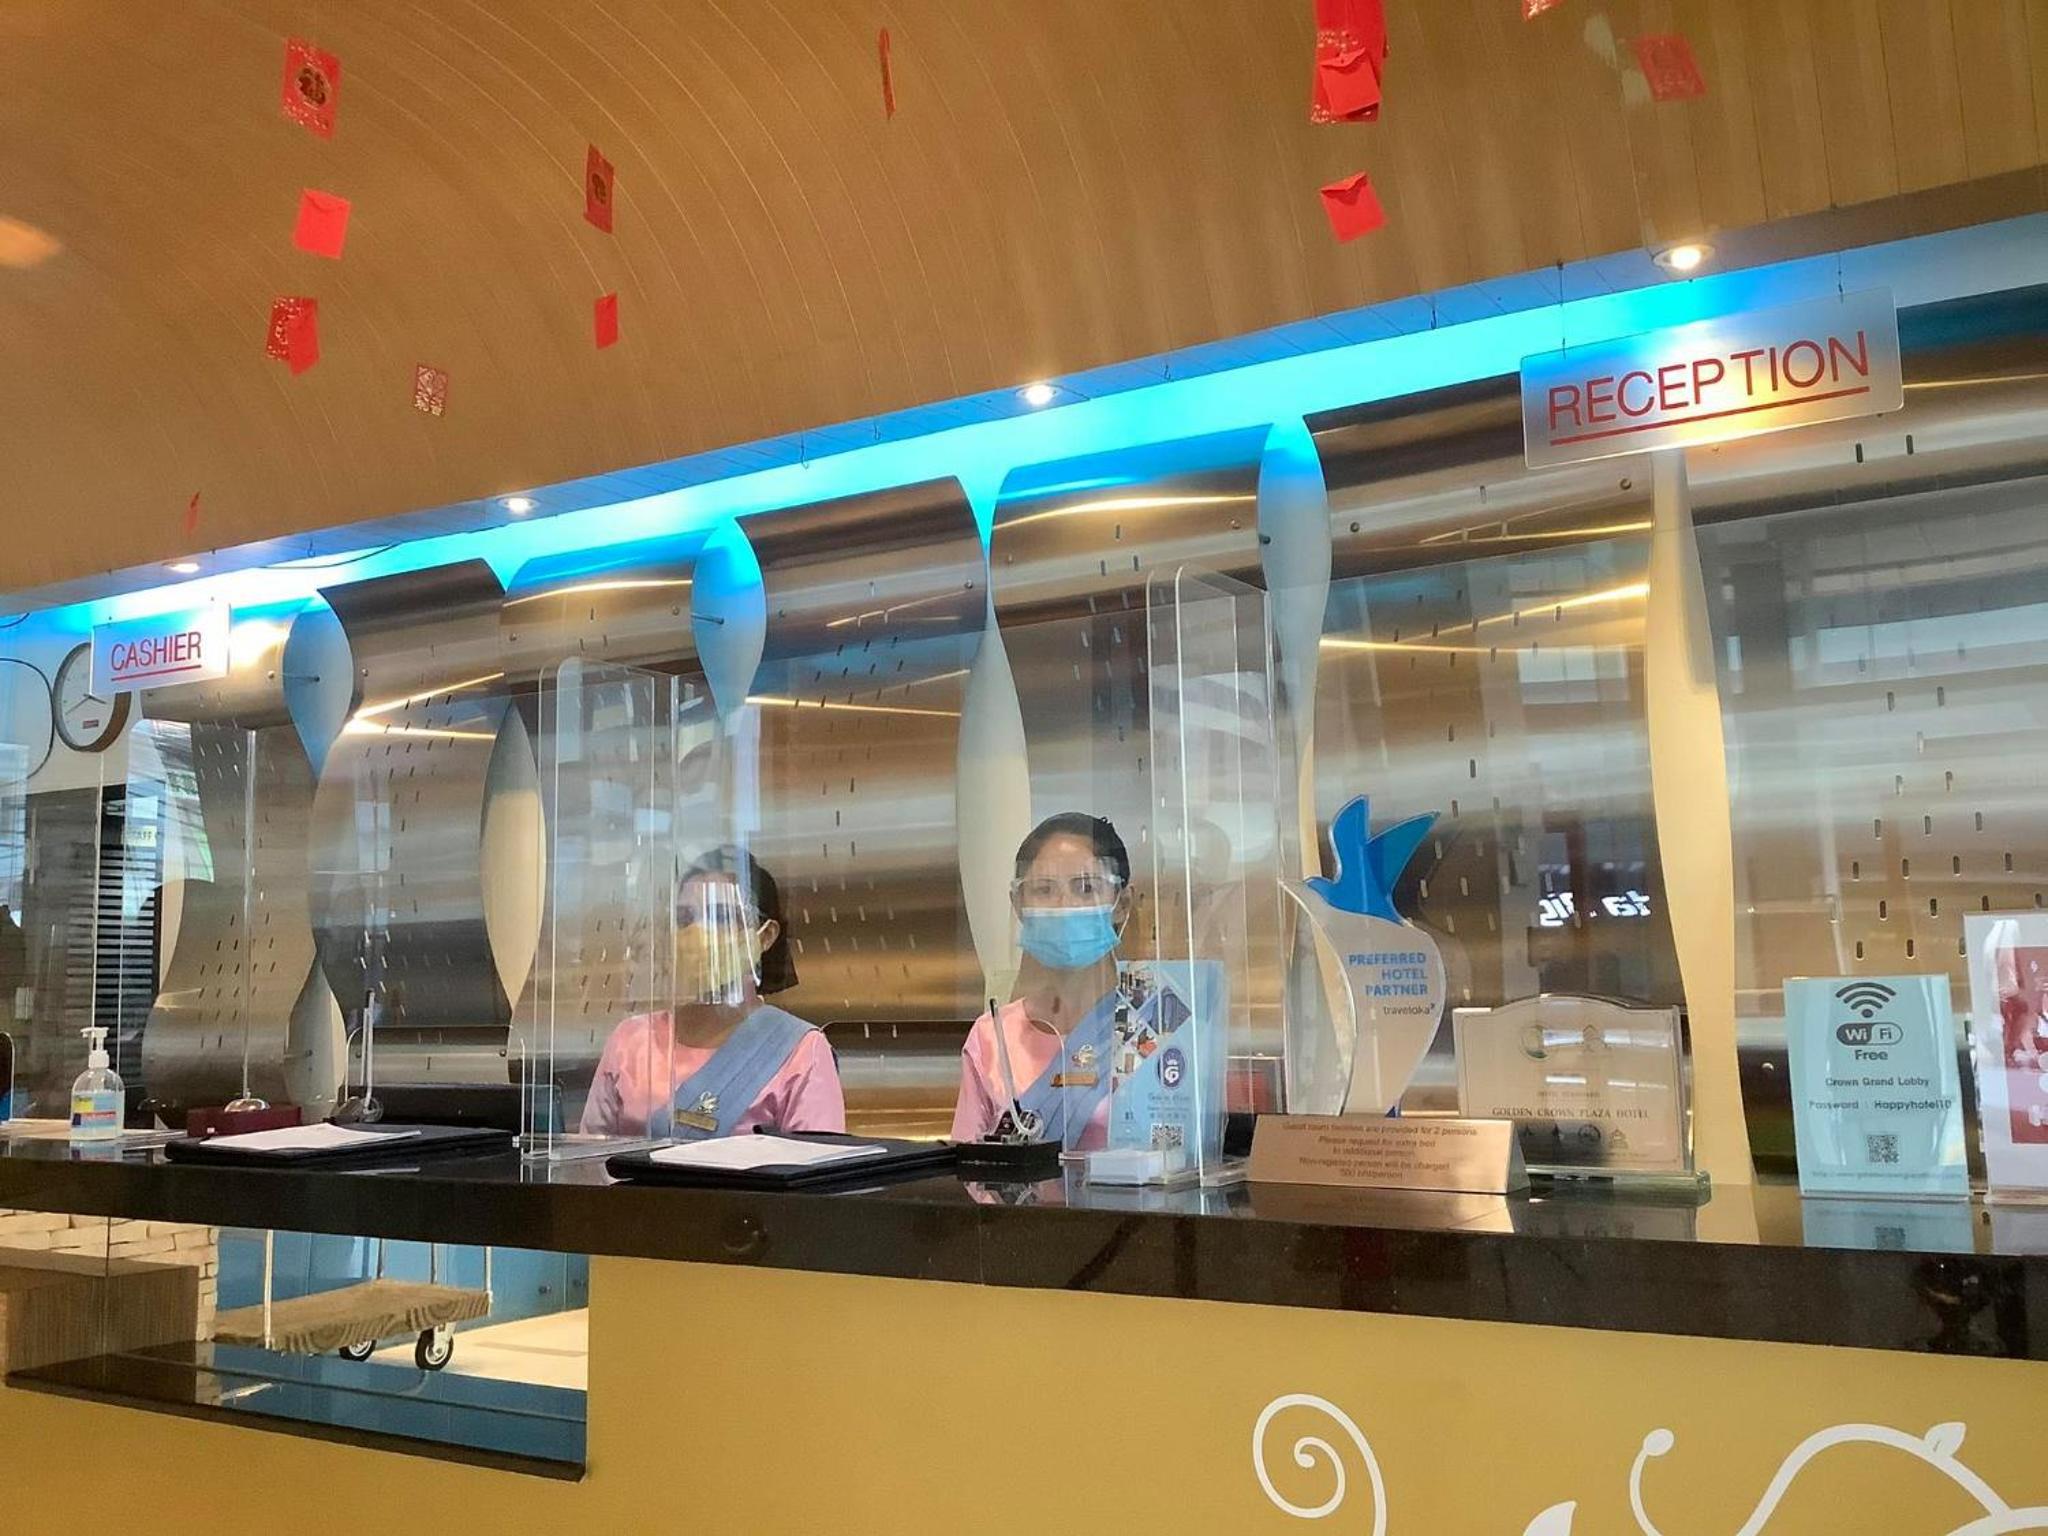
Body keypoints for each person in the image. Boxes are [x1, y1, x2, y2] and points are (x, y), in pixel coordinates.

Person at [581, 847, 845, 1140]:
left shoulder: (800, 1051)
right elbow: (589, 1155)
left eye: (720, 917)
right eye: (685, 918)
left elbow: (816, 1162)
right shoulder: (631, 1041)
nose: (698, 933)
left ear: (766, 936)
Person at [951, 813, 1136, 1151]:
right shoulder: (992, 1037)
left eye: (1086, 888)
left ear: (1121, 903)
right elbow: (968, 1165)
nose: (1064, 906)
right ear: (1019, 905)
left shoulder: (1152, 1027)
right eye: (1044, 889)